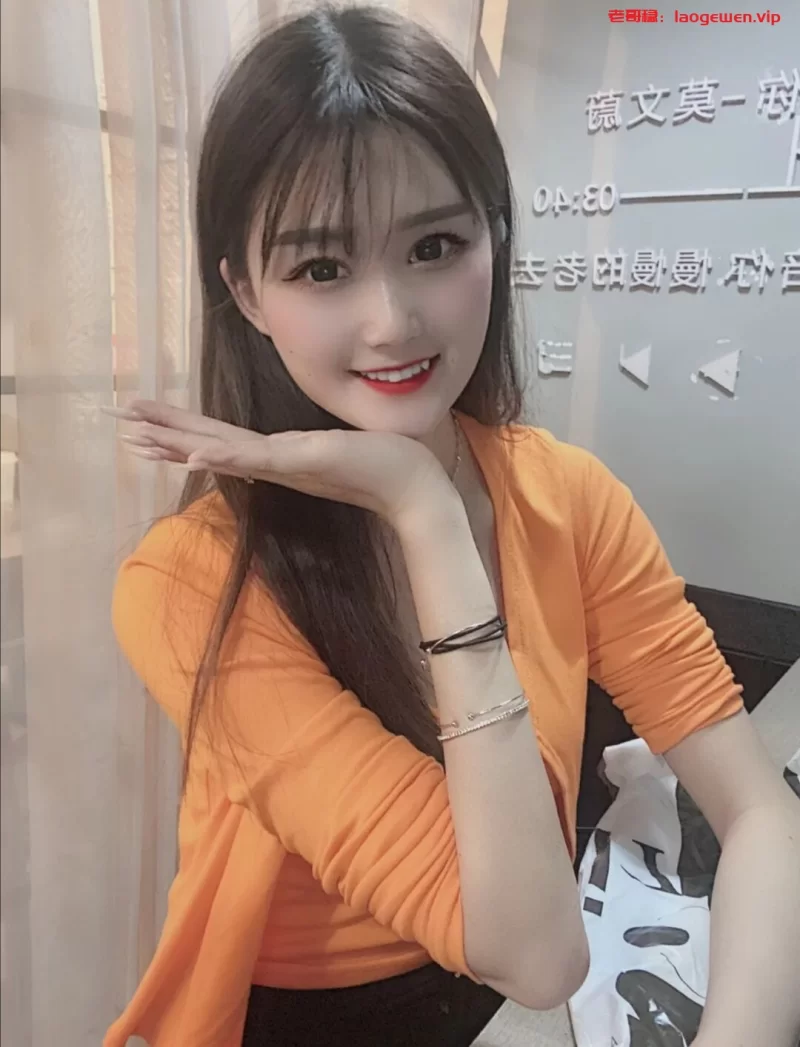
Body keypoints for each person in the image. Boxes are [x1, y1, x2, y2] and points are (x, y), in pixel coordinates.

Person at [103, 6, 800, 1047]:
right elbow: (535, 953)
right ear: (244, 291)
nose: (392, 321)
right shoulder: (190, 580)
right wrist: (424, 509)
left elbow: (758, 812)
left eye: (434, 245)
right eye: (321, 269)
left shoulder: (567, 498)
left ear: (493, 237)